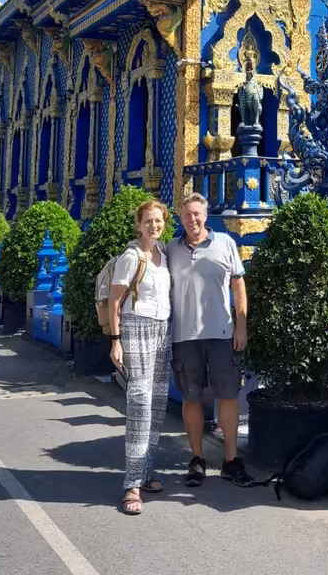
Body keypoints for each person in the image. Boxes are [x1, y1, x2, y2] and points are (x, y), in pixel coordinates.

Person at [167, 193, 253, 487]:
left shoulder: (225, 243)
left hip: (222, 333)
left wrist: (241, 326)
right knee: (191, 398)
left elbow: (239, 286)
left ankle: (230, 460)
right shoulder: (171, 250)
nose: (193, 219)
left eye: (197, 214)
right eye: (187, 214)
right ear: (180, 218)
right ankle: (197, 459)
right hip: (184, 335)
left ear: (206, 216)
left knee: (227, 396)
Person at [108, 200, 172, 516]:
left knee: (158, 403)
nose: (154, 226)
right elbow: (115, 301)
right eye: (149, 221)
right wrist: (115, 341)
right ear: (139, 224)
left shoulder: (165, 255)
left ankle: (147, 471)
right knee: (139, 403)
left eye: (158, 221)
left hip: (163, 331)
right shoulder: (131, 257)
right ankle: (131, 484)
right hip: (136, 328)